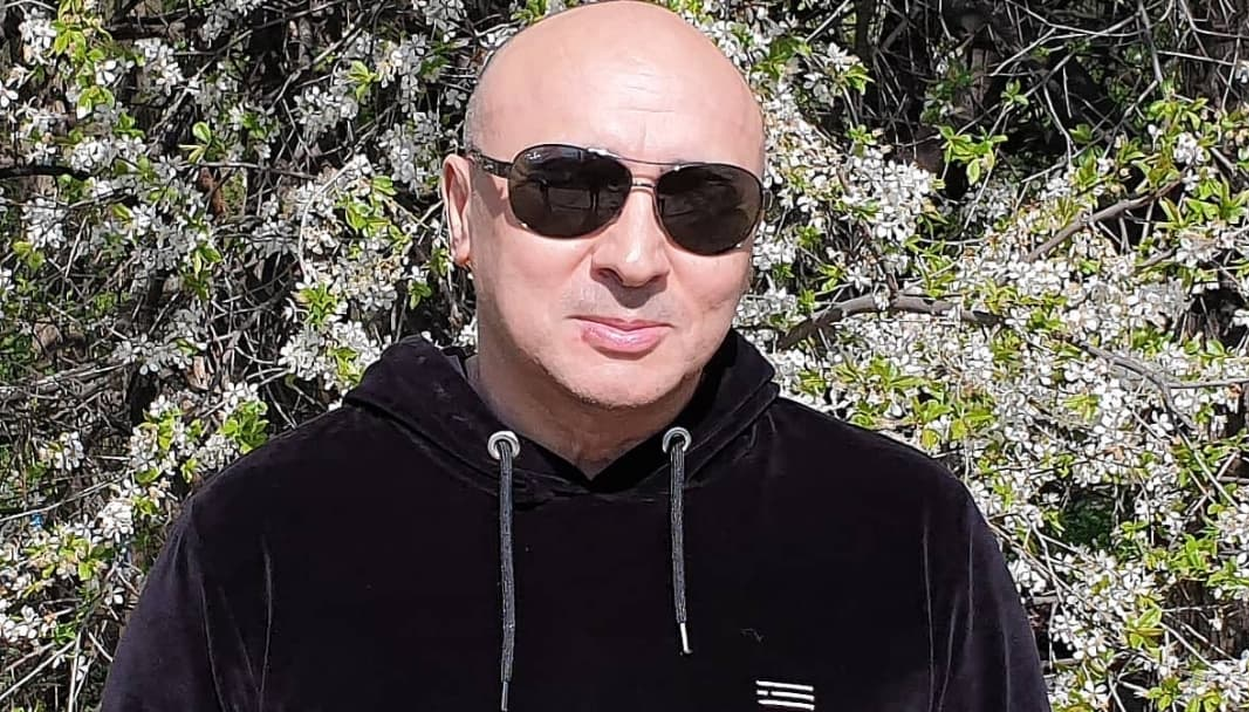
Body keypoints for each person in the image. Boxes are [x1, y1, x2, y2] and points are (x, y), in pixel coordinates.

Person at [100, 2, 1051, 710]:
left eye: (702, 204)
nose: (635, 259)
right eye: (567, 190)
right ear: (462, 210)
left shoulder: (905, 539)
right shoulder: (265, 541)